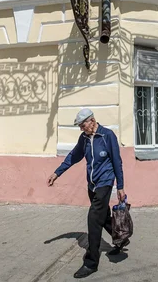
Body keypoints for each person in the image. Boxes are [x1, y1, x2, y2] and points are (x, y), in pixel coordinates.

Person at [47, 108, 126, 279]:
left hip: (105, 183)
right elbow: (73, 156)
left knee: (93, 220)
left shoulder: (107, 136)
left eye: (83, 126)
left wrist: (120, 186)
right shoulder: (84, 139)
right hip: (92, 185)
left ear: (92, 121)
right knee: (103, 217)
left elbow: (117, 161)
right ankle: (121, 238)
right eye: (80, 127)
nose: (82, 129)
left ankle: (91, 263)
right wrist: (57, 173)